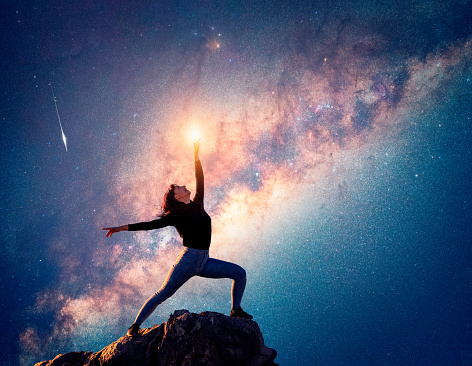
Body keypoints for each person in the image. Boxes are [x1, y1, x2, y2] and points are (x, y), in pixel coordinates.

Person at [103, 140, 252, 337]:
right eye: (178, 187)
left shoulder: (198, 203)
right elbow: (149, 225)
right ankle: (134, 326)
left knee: (239, 273)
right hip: (188, 260)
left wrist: (196, 158)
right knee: (162, 294)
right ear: (177, 197)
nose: (183, 185)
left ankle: (235, 310)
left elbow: (201, 180)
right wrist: (121, 228)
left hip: (204, 261)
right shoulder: (176, 215)